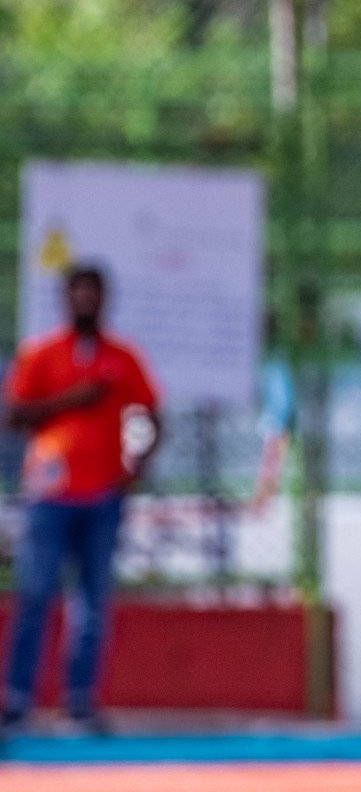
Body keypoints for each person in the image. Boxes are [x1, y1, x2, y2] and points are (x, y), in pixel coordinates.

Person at [1, 265, 161, 736]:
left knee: (93, 603)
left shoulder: (122, 357)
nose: (86, 300)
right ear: (65, 299)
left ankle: (79, 702)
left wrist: (138, 464)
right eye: (78, 292)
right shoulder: (42, 354)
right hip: (50, 494)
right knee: (35, 593)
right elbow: (15, 416)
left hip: (104, 493)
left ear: (105, 299)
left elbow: (153, 413)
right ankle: (16, 698)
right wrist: (75, 398)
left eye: (94, 293)